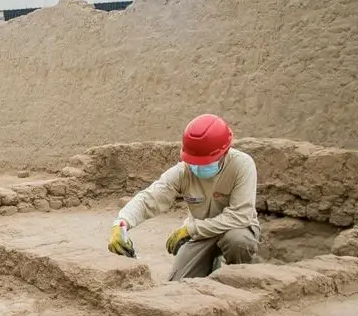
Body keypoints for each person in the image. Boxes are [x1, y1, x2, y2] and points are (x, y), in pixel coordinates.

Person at [107, 113, 260, 280]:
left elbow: (240, 215)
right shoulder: (184, 171)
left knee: (237, 240)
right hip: (201, 234)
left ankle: (238, 279)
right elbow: (150, 198)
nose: (198, 167)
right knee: (179, 284)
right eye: (194, 162)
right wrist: (121, 223)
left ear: (224, 152)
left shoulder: (242, 165)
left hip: (234, 228)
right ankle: (210, 266)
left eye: (205, 162)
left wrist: (190, 230)